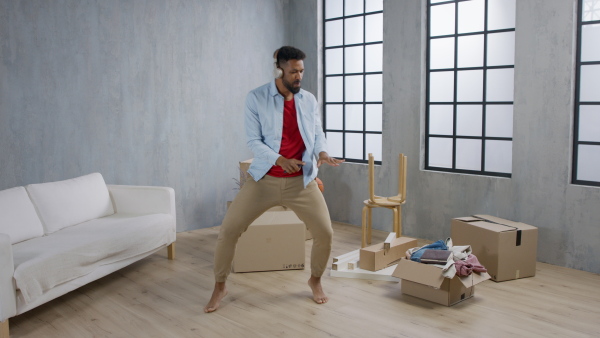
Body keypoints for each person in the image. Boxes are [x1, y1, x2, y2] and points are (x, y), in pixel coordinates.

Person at [204, 46, 344, 313]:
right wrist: (279, 159)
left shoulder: (308, 100)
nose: (298, 77)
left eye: (301, 71)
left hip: (302, 182)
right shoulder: (256, 98)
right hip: (264, 180)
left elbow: (317, 132)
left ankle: (315, 280)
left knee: (325, 233)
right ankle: (220, 285)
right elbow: (253, 142)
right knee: (229, 231)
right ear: (279, 70)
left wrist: (322, 152)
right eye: (293, 71)